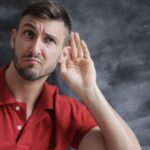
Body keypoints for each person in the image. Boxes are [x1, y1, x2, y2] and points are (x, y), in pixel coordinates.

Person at [0, 0, 141, 150]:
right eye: (29, 34)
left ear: (63, 53)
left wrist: (89, 90)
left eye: (49, 40)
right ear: (14, 39)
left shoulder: (67, 111)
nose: (35, 49)